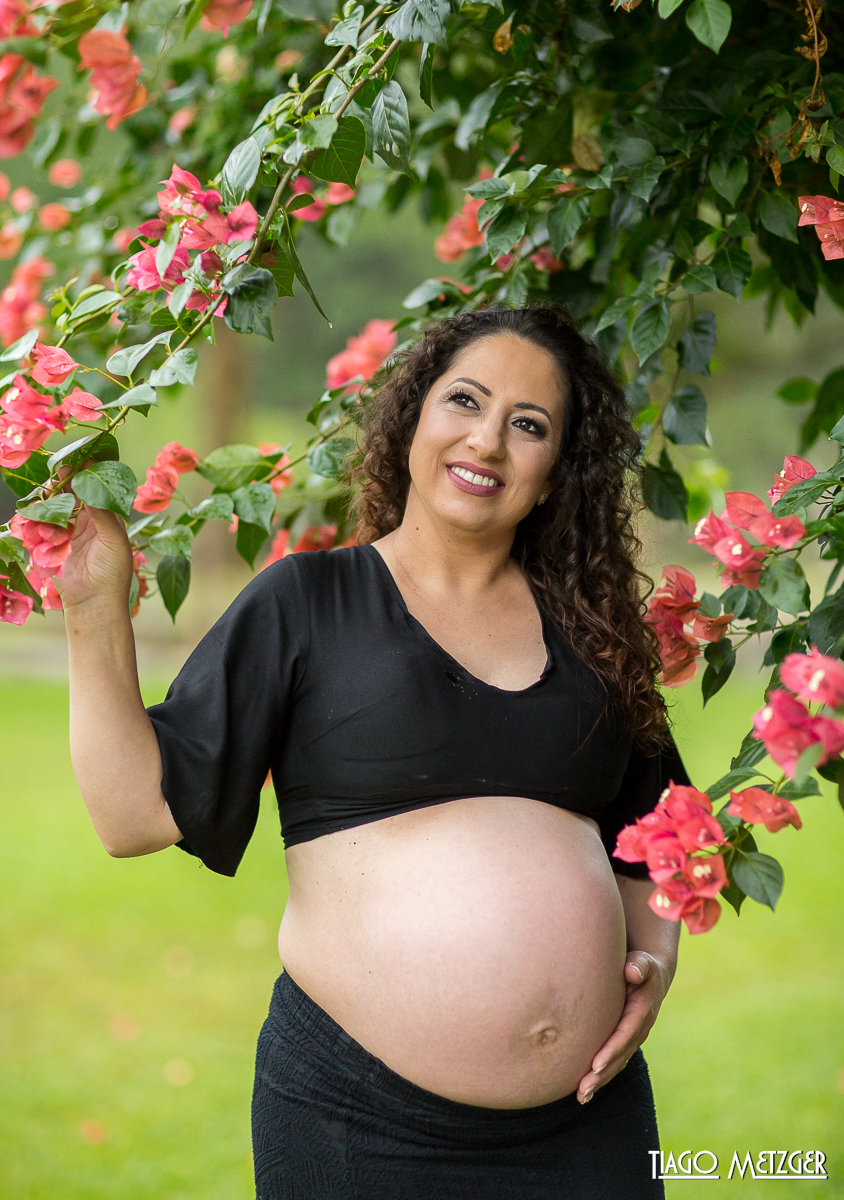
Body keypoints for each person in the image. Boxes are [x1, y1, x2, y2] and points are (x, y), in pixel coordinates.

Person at [60, 305, 691, 1200]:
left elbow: (662, 829)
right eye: (464, 401)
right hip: (358, 1124)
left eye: (529, 424)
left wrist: (654, 964)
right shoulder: (305, 601)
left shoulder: (595, 634)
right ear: (413, 421)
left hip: (591, 1121)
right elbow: (132, 816)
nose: (487, 440)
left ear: (556, 474)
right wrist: (93, 611)